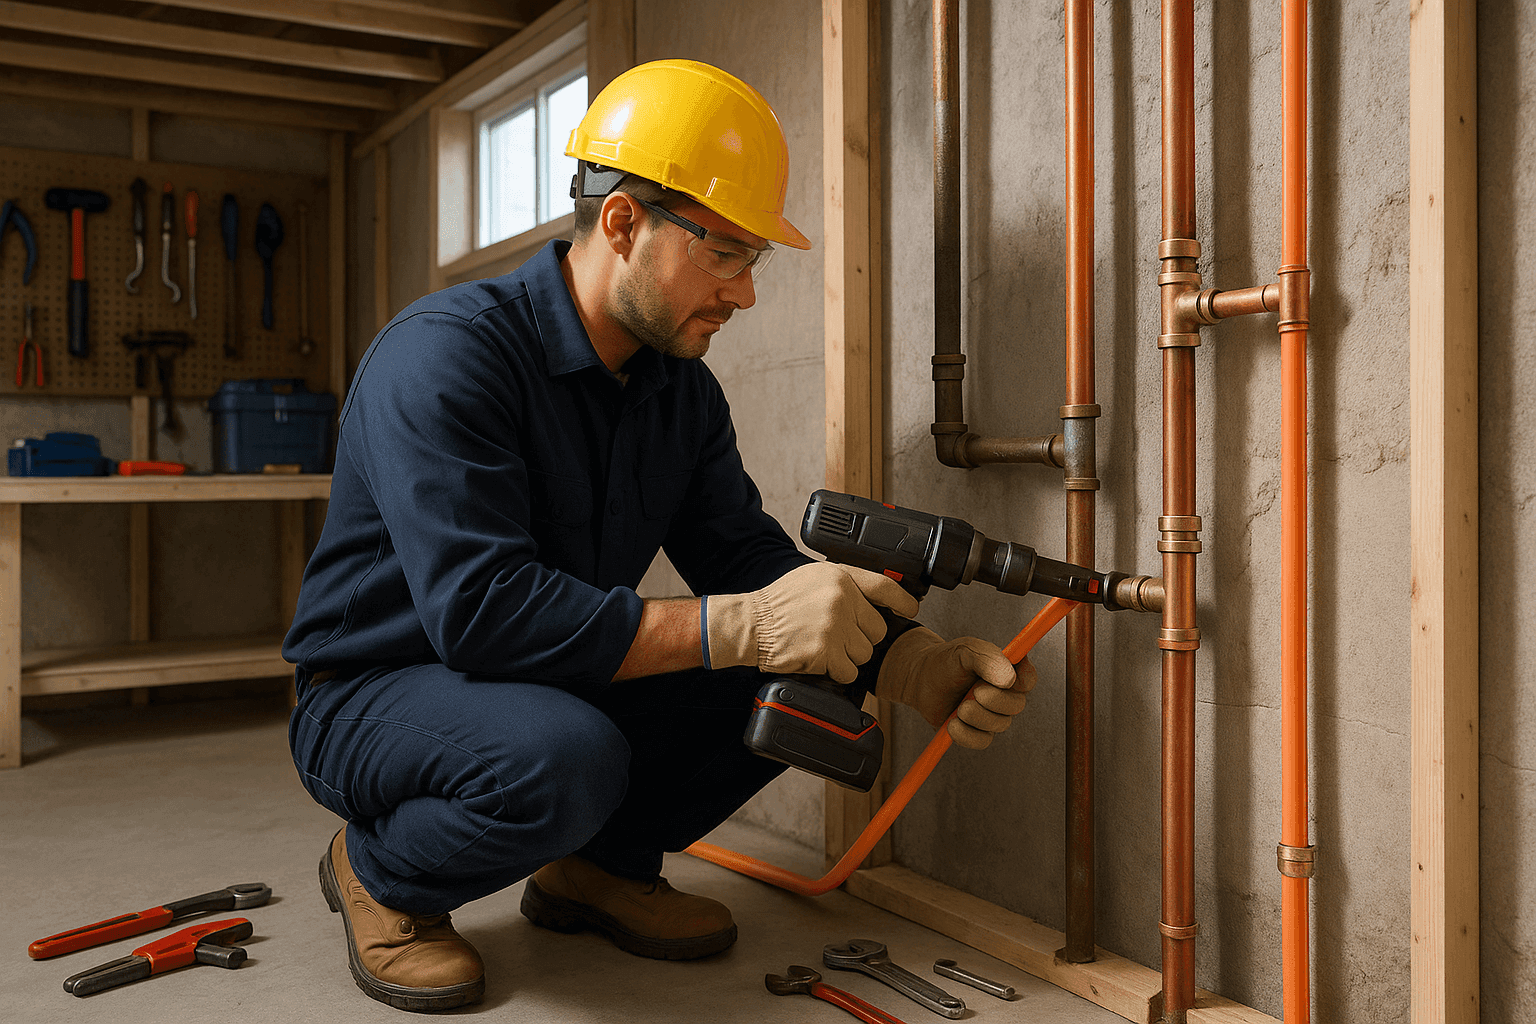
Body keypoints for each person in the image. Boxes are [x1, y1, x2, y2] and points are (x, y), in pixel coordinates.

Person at [283, 58, 1037, 1013]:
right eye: (724, 253)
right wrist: (739, 626)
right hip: (374, 691)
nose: (745, 294)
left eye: (752, 260)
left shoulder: (678, 391)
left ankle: (598, 868)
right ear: (623, 223)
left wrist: (910, 663)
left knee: (804, 661)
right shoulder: (446, 356)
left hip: (534, 680)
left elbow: (744, 560)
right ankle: (380, 869)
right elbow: (481, 615)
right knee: (563, 756)